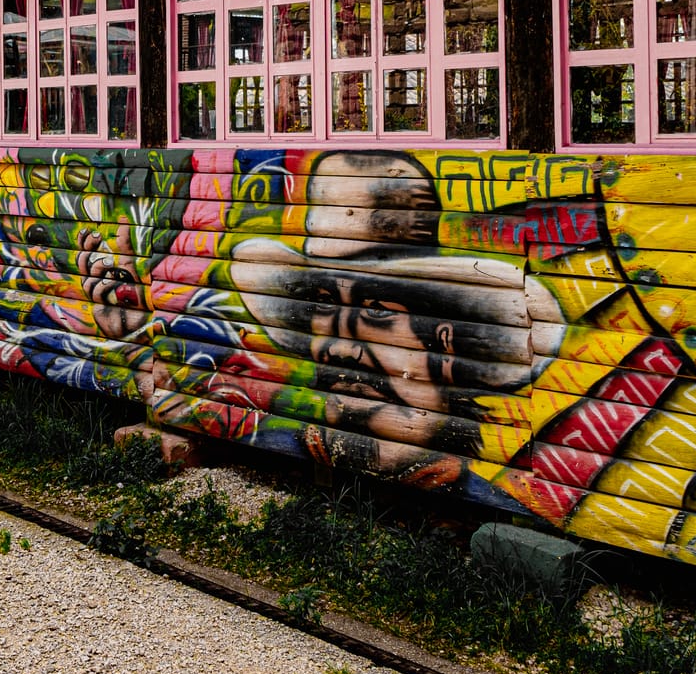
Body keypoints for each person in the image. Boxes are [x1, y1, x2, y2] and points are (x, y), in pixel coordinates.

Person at [218, 150, 528, 496]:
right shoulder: (271, 438)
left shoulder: (496, 490)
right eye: (324, 304)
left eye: (377, 310)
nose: (341, 348)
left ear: (445, 342)